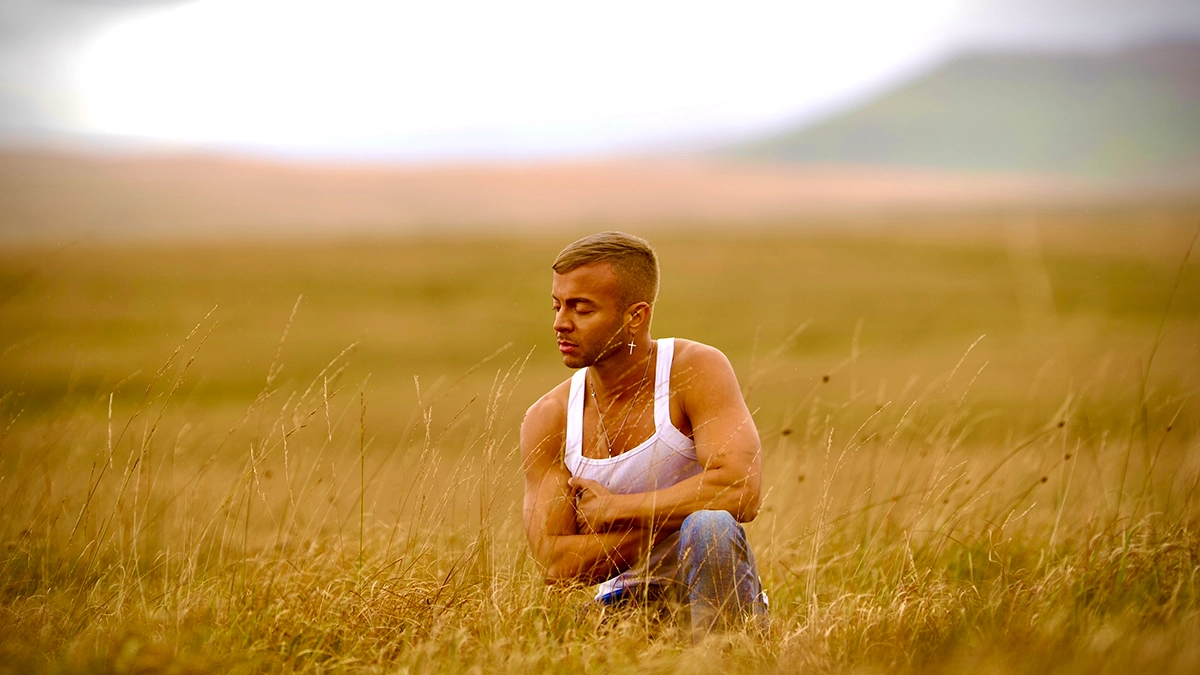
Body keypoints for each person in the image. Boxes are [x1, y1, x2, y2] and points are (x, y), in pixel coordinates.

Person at [520, 231, 768, 641]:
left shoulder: (694, 369)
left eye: (581, 309)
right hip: (616, 608)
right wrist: (671, 516)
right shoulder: (549, 417)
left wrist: (615, 508)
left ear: (635, 316)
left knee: (710, 527)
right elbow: (556, 565)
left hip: (718, 601)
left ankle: (724, 660)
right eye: (557, 305)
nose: (560, 323)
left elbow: (741, 490)